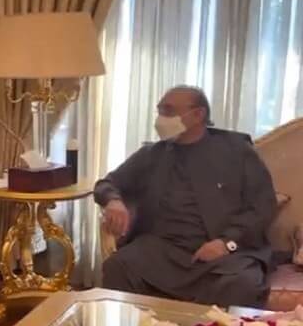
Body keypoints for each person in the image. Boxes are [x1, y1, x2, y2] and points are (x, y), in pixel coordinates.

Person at [96, 85, 277, 308]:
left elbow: (262, 206)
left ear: (198, 114)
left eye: (169, 111)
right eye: (160, 111)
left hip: (224, 252)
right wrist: (113, 200)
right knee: (118, 266)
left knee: (242, 284)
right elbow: (106, 184)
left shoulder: (237, 152)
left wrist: (226, 243)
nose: (161, 119)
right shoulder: (152, 154)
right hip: (162, 249)